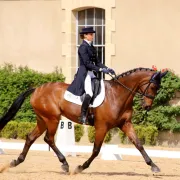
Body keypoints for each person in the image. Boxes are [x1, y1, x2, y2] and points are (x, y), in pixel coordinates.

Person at [67, 27, 115, 124]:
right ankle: (83, 115)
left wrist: (107, 68)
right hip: (85, 73)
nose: (92, 36)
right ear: (85, 35)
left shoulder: (91, 47)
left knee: (100, 89)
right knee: (89, 93)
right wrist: (101, 70)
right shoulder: (82, 47)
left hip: (92, 73)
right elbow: (87, 64)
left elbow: (97, 62)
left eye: (92, 34)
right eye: (90, 34)